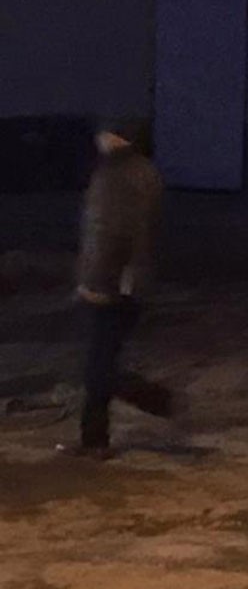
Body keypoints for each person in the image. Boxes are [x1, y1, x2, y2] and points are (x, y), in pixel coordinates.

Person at [65, 125, 176, 459]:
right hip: (114, 281)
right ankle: (94, 439)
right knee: (99, 364)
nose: (99, 138)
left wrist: (110, 282)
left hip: (113, 285)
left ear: (119, 137)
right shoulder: (128, 171)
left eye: (106, 132)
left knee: (98, 368)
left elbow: (121, 233)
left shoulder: (123, 175)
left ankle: (151, 400)